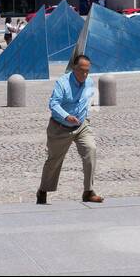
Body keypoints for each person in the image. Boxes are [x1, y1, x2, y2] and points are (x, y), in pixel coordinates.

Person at [37, 54, 100, 204]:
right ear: (74, 68)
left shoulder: (90, 82)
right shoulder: (62, 83)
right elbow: (54, 104)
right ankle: (43, 190)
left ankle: (88, 191)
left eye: (87, 71)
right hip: (60, 127)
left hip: (81, 126)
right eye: (81, 71)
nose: (84, 74)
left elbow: (89, 101)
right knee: (54, 160)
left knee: (90, 150)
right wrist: (67, 116)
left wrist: (86, 116)